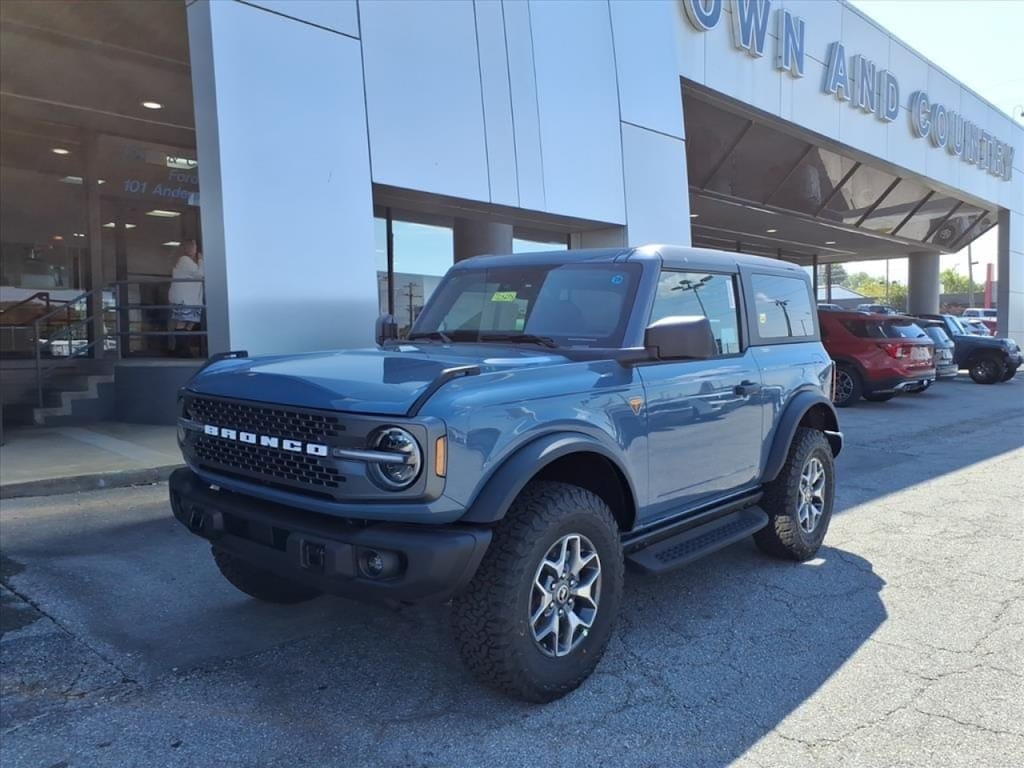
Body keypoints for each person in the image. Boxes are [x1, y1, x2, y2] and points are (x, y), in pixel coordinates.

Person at [168, 239, 204, 357]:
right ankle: (181, 350)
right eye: (193, 246)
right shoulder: (184, 260)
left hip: (191, 299)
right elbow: (200, 274)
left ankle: (184, 349)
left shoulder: (188, 261)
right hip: (185, 299)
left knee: (190, 323)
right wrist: (201, 260)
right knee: (182, 322)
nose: (195, 249)